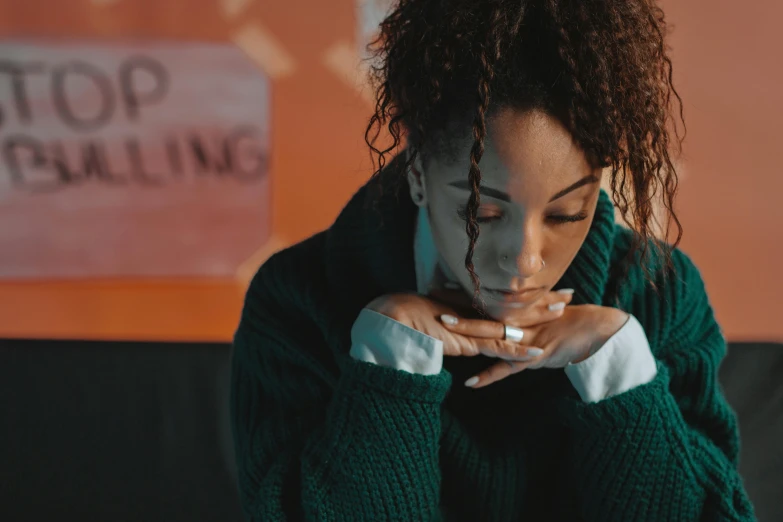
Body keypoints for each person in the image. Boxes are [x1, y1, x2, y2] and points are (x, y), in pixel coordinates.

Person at [230, 0, 755, 520]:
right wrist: (390, 370)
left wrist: (619, 375)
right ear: (417, 170)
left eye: (567, 214)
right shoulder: (297, 300)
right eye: (481, 212)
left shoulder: (660, 294)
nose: (524, 261)